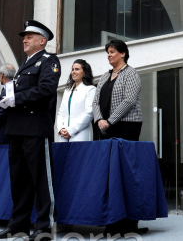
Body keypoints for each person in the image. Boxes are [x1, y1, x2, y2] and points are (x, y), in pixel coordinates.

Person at [0, 20, 61, 241]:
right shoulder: (23, 65)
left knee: (41, 178)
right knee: (19, 180)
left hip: (35, 128)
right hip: (16, 129)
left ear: (42, 41)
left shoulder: (49, 61)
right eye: (24, 36)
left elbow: (46, 90)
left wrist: (17, 99)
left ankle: (45, 226)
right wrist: (6, 100)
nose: (25, 39)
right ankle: (18, 224)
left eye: (30, 36)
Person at [92, 39, 143, 235]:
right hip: (105, 128)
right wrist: (99, 121)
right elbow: (96, 101)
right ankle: (111, 220)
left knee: (124, 174)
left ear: (123, 53)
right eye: (108, 52)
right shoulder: (105, 76)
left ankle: (128, 222)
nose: (109, 55)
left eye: (112, 52)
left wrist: (109, 120)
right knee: (108, 174)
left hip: (126, 127)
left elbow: (129, 101)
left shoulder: (131, 74)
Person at [56, 59, 96, 142]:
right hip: (64, 135)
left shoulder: (90, 89)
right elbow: (61, 113)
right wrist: (61, 128)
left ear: (84, 72)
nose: (73, 72)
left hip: (80, 133)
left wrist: (71, 130)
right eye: (72, 69)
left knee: (80, 155)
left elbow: (89, 113)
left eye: (77, 69)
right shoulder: (67, 90)